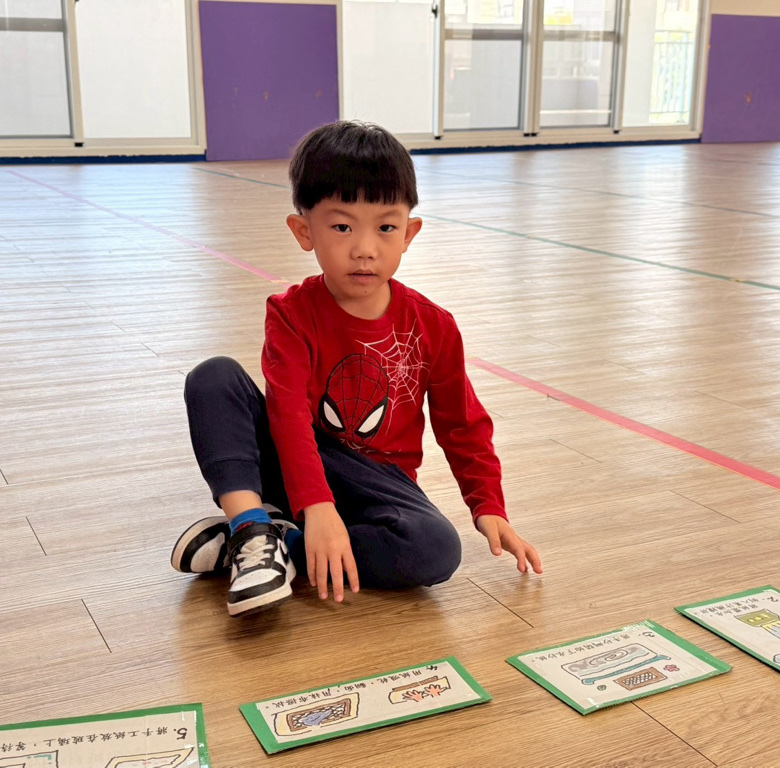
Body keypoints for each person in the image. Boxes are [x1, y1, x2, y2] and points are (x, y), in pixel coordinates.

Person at [171, 120, 541, 617]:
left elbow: (462, 424)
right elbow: (286, 417)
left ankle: (279, 545)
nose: (365, 248)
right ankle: (251, 528)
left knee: (434, 548)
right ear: (304, 231)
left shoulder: (434, 325)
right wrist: (318, 504)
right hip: (294, 458)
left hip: (378, 482)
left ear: (409, 234)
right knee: (213, 377)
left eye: (385, 227)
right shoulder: (290, 313)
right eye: (342, 227)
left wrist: (488, 504)